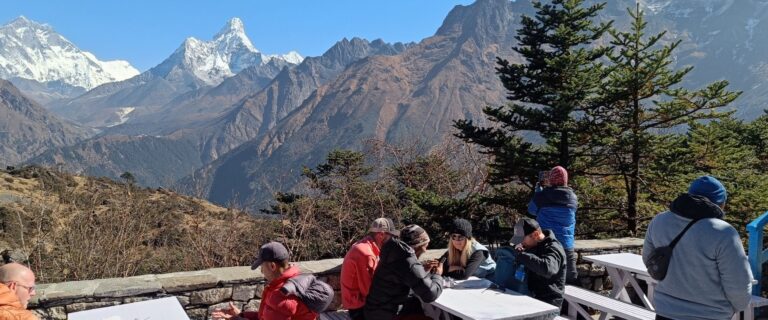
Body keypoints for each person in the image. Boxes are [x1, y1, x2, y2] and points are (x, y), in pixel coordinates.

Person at [643, 176, 752, 320]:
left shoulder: (660, 220)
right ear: (720, 203)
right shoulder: (724, 232)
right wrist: (736, 307)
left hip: (665, 312)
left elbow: (649, 260)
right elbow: (738, 284)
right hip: (710, 315)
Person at [212, 241, 333, 320]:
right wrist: (241, 315)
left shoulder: (281, 296)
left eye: (262, 267)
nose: (261, 271)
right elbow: (267, 316)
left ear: (272, 266)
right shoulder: (296, 282)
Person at [364, 225, 443, 320]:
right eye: (425, 246)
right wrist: (438, 274)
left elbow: (403, 275)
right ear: (418, 245)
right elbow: (430, 294)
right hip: (389, 315)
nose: (425, 250)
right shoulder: (407, 260)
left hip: (375, 311)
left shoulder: (394, 251)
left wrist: (421, 269)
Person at [527, 166, 578, 284]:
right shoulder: (573, 198)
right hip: (567, 245)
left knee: (544, 281)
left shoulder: (542, 196)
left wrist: (538, 192)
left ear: (551, 179)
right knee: (569, 281)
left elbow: (531, 211)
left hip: (547, 243)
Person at [341, 217, 399, 320]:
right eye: (391, 236)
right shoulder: (366, 254)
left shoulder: (365, 245)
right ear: (381, 235)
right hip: (359, 308)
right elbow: (369, 291)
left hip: (360, 303)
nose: (393, 240)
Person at [511, 218, 566, 309]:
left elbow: (547, 269)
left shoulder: (554, 248)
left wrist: (522, 255)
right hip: (532, 296)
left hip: (549, 301)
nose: (521, 243)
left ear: (536, 234)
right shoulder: (534, 244)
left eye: (522, 239)